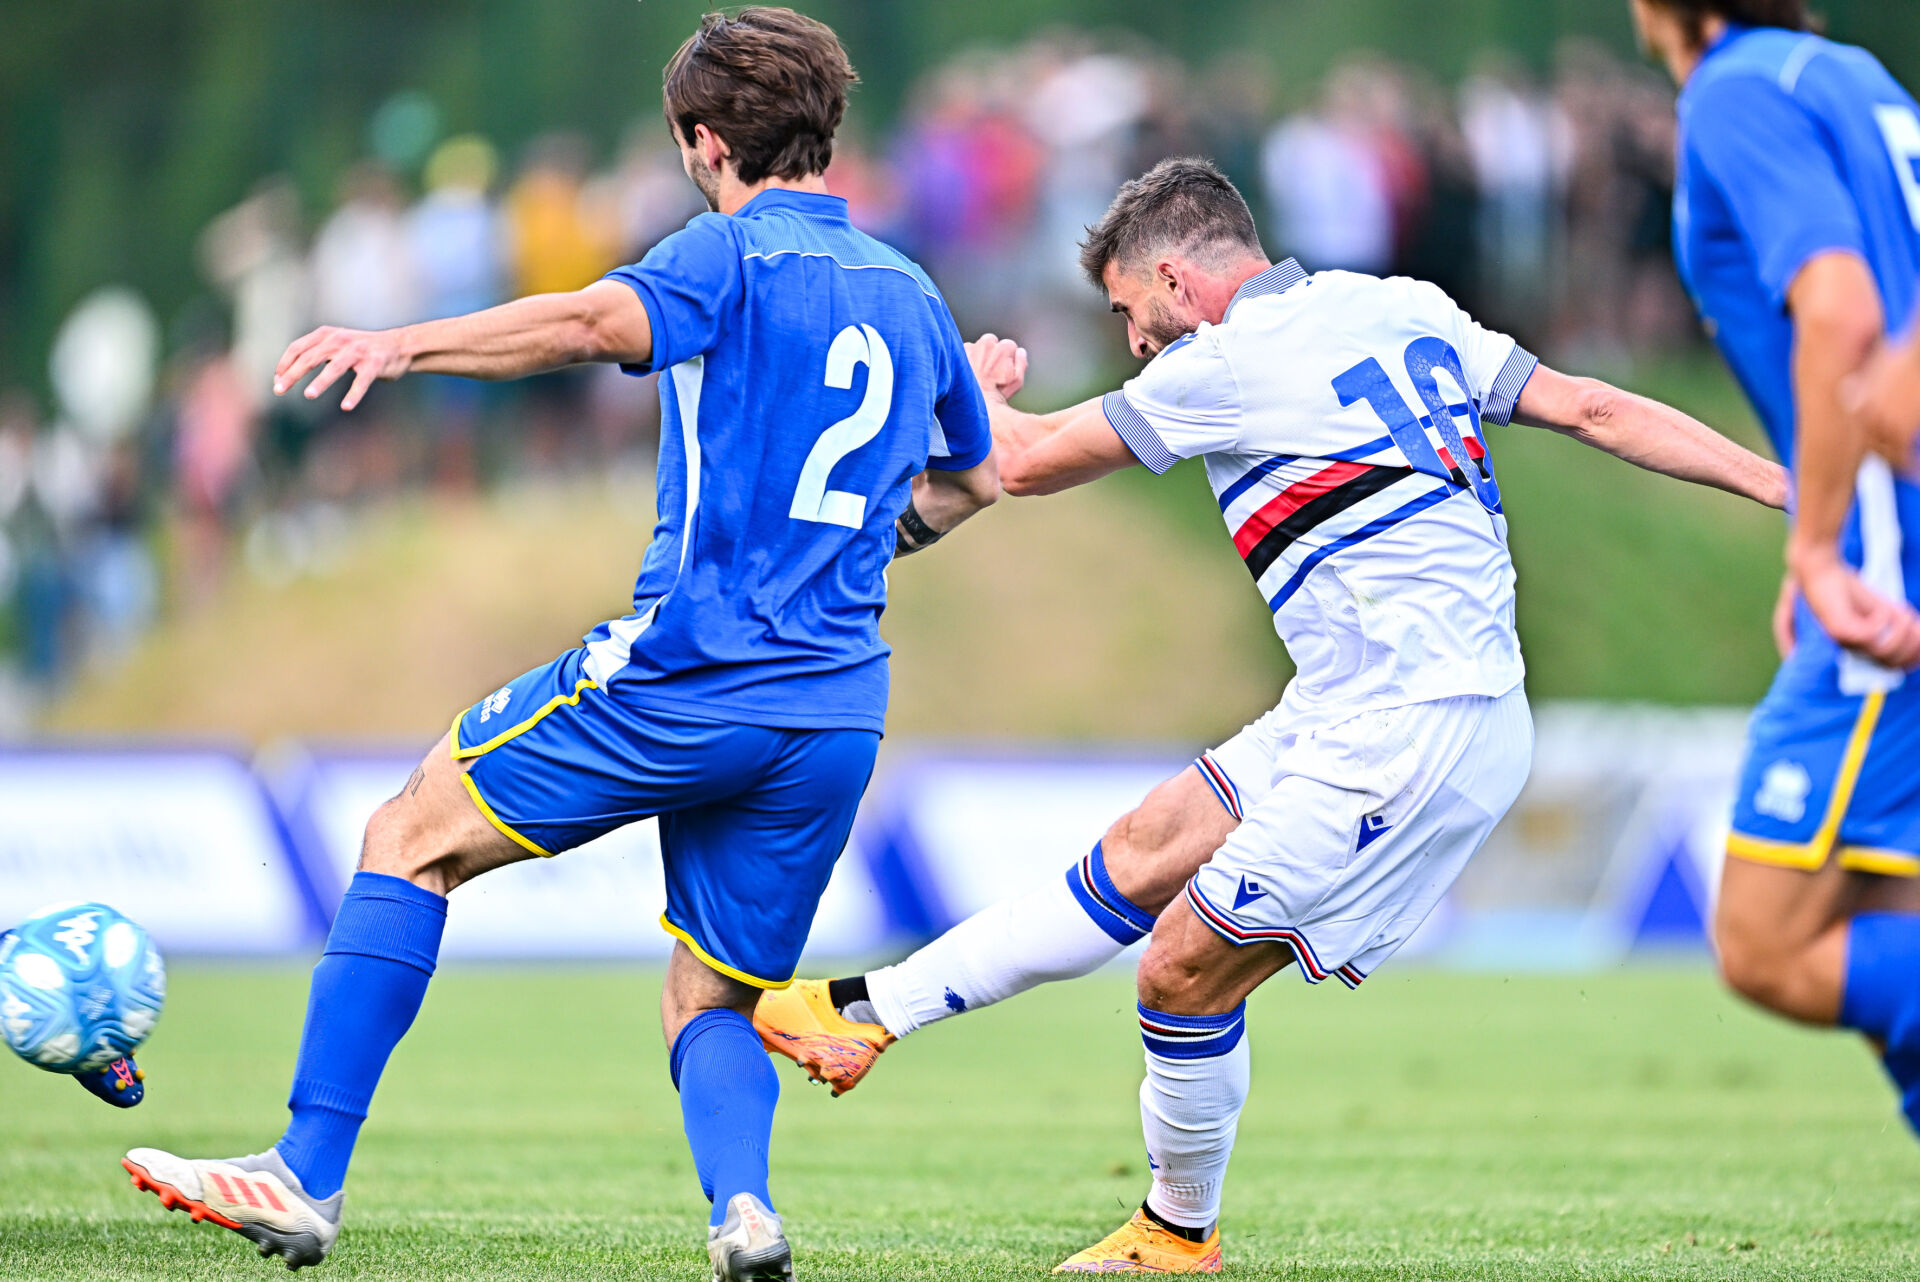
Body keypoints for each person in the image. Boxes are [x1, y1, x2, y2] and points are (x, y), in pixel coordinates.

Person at [754, 156, 1786, 1273]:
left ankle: (1174, 1230)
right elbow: (1589, 405)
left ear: (1174, 278)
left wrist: (977, 388)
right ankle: (867, 1011)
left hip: (1413, 730)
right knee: (1147, 846)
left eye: (1130, 313)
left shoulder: (1232, 363)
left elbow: (1029, 461)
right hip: (1356, 702)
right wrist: (1780, 483)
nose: (1137, 342)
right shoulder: (1402, 304)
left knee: (1179, 969)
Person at [117, 10, 999, 1280]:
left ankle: (305, 1173)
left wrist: (400, 341)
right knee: (712, 996)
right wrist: (873, 534)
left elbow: (592, 325)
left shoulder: (724, 256)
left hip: (687, 677)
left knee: (407, 836)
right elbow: (973, 483)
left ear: (706, 143)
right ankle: (744, 1213)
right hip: (833, 717)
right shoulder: (915, 293)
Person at [1627, 0, 1920, 1137]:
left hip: (1889, 565)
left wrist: (1820, 540)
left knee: (1767, 939)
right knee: (1885, 898)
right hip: (1884, 537)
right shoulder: (1855, 78)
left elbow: (1841, 313)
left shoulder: (1737, 89)